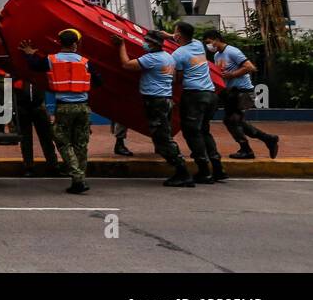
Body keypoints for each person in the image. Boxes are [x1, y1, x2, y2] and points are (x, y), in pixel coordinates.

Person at [21, 28, 99, 194]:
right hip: (83, 107)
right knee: (81, 143)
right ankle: (80, 178)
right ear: (75, 44)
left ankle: (77, 178)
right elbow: (99, 81)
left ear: (59, 43)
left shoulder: (51, 60)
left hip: (64, 107)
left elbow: (34, 66)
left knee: (63, 141)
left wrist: (29, 53)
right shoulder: (85, 62)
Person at [117, 31, 193, 187]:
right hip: (164, 99)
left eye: (146, 42)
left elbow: (126, 64)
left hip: (156, 102)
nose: (143, 44)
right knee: (162, 137)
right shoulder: (168, 57)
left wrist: (121, 45)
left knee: (163, 138)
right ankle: (180, 169)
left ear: (152, 44)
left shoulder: (152, 58)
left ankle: (183, 172)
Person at [203, 28, 279, 160]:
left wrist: (232, 74)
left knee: (232, 121)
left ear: (217, 39)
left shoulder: (232, 51)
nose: (209, 46)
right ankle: (268, 139)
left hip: (243, 92)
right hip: (230, 93)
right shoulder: (217, 55)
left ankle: (247, 149)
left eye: (209, 42)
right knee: (234, 121)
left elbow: (250, 67)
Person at [171, 21, 226, 185]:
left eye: (175, 32)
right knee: (204, 130)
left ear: (179, 35)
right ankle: (218, 169)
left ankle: (204, 171)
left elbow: (179, 79)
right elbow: (178, 39)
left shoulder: (178, 54)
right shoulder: (197, 45)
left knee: (191, 133)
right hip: (210, 94)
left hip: (194, 96)